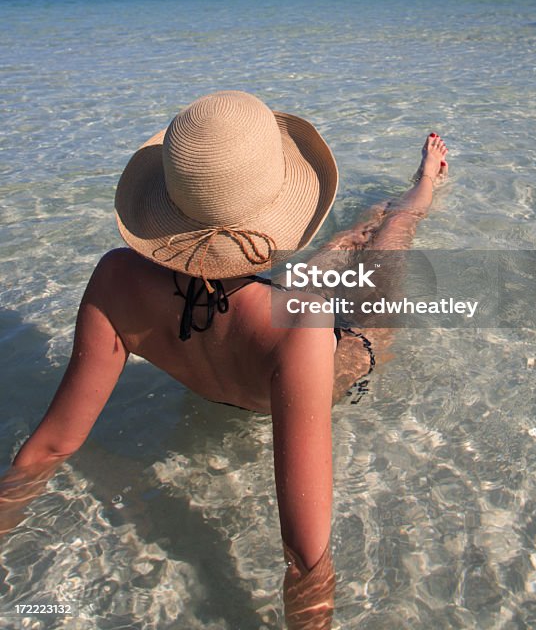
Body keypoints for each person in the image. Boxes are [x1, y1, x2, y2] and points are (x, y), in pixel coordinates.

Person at [0, 91, 448, 627]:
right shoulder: (300, 326)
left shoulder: (116, 279)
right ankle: (420, 189)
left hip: (254, 331)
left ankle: (390, 206)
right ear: (277, 213)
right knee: (388, 241)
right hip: (336, 354)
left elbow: (47, 448)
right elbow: (306, 554)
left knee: (347, 245)